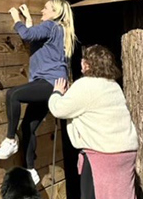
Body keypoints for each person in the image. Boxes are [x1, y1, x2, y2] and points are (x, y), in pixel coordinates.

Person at [0, 0, 77, 185]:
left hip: (49, 84)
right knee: (28, 127)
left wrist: (16, 18)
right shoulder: (58, 30)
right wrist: (29, 19)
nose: (42, 10)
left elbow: (27, 35)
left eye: (46, 8)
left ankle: (10, 140)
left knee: (13, 95)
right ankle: (30, 170)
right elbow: (35, 40)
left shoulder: (51, 26)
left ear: (55, 13)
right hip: (53, 85)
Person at [49, 45, 138, 199]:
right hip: (126, 154)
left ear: (87, 64)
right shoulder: (113, 85)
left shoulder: (85, 85)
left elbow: (58, 109)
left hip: (102, 157)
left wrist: (56, 93)